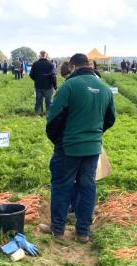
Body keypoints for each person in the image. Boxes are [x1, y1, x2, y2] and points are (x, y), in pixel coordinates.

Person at [39, 52, 116, 243]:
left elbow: (54, 119)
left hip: (69, 147)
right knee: (87, 186)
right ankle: (83, 232)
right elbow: (110, 119)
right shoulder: (104, 88)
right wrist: (94, 134)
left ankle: (57, 229)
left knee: (61, 185)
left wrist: (59, 140)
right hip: (92, 148)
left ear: (73, 67)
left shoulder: (69, 86)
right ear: (88, 65)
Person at [30, 51, 57, 115]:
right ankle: (48, 114)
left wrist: (36, 80)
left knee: (38, 101)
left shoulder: (35, 64)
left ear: (39, 55)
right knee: (48, 101)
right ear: (46, 56)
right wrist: (55, 86)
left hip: (38, 85)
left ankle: (39, 113)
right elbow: (53, 76)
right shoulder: (50, 64)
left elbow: (31, 75)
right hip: (48, 86)